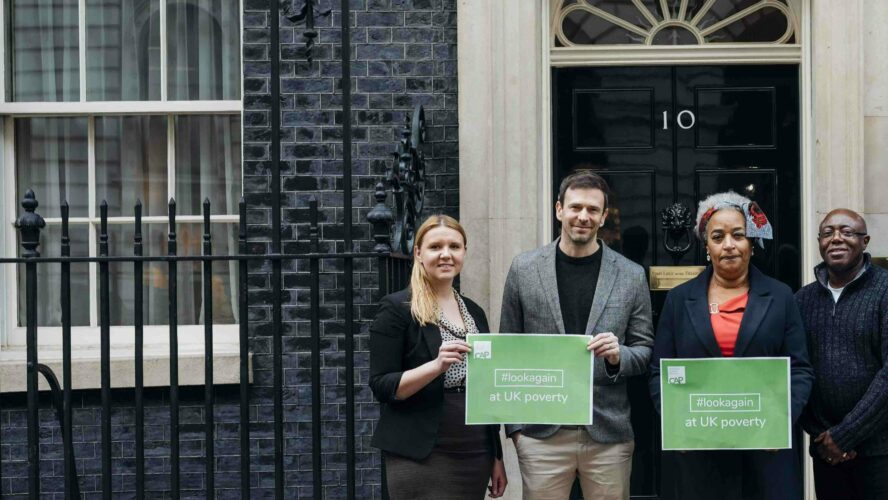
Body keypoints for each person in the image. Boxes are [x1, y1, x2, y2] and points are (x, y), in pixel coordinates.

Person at [648, 191, 814, 500]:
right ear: (706, 246)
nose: (729, 245)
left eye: (738, 235)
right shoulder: (679, 299)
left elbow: (800, 370)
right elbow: (660, 372)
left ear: (751, 242)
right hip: (699, 449)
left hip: (765, 449)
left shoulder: (781, 297)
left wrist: (779, 420)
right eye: (718, 236)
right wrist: (674, 420)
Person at [499, 171, 654, 500]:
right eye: (575, 207)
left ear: (603, 217)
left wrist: (618, 356)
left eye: (593, 210)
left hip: (608, 434)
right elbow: (507, 349)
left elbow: (643, 350)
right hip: (541, 435)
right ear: (559, 209)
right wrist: (516, 430)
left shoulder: (631, 275)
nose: (583, 216)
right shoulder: (523, 269)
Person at [368, 215, 507, 499]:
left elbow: (486, 388)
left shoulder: (474, 311)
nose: (446, 254)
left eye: (454, 246)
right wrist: (436, 366)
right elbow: (382, 385)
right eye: (435, 247)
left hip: (474, 449)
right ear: (418, 253)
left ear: (464, 252)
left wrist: (497, 455)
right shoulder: (396, 308)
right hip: (421, 453)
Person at [796, 209, 888, 500]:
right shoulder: (802, 299)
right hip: (826, 452)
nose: (836, 238)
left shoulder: (885, 291)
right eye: (827, 232)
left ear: (865, 241)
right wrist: (822, 436)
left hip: (879, 451)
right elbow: (795, 370)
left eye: (847, 232)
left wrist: (845, 435)